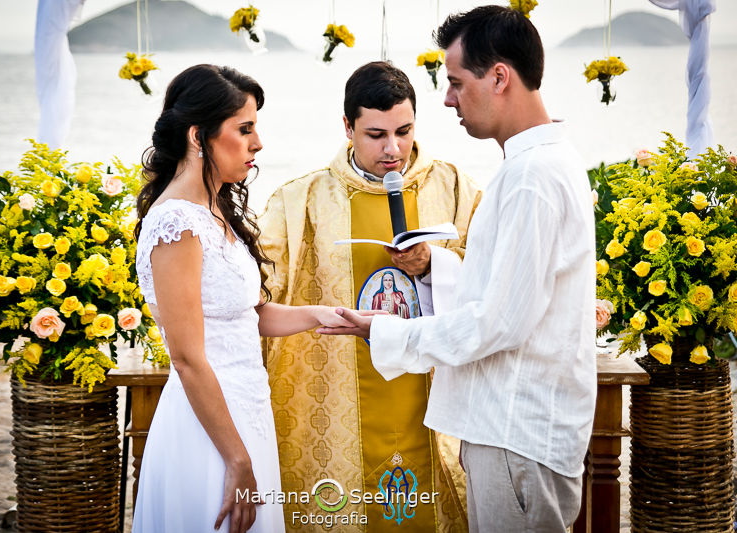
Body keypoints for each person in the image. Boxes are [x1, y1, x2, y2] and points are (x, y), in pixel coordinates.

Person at [318, 7, 597, 532]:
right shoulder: (537, 164)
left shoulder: (532, 177)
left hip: (518, 434)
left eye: (455, 82)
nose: (446, 99)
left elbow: (499, 321)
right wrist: (431, 269)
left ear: (498, 77)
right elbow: (507, 296)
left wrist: (387, 330)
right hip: (513, 429)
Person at [258, 61, 482, 531]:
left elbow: (490, 280)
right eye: (376, 134)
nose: (393, 149)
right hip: (336, 391)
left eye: (403, 131)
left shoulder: (454, 188)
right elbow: (256, 292)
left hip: (430, 393)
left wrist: (433, 265)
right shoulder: (300, 202)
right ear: (347, 127)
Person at [131, 65, 352, 533]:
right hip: (208, 427)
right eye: (244, 128)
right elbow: (188, 358)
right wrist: (235, 458)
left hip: (247, 410)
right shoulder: (176, 225)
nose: (258, 143)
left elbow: (240, 317)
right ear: (198, 136)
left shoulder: (215, 210)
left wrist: (321, 315)